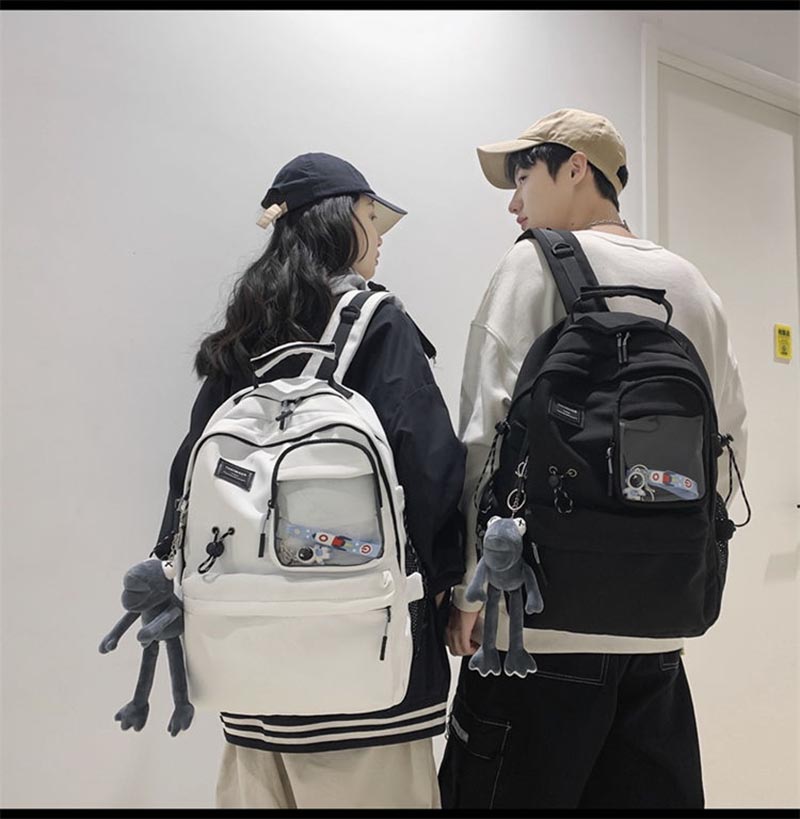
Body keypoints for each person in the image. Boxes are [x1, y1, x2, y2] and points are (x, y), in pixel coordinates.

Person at [439, 108, 747, 809]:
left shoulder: (531, 265)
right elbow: (728, 448)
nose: (514, 204)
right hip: (657, 637)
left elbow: (484, 435)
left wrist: (468, 590)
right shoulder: (691, 285)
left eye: (523, 178)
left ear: (576, 168)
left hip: (534, 636)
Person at [153, 152, 466, 809]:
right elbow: (428, 466)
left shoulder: (245, 332)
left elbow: (191, 473)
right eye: (372, 218)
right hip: (367, 670)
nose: (380, 237)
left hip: (249, 667)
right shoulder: (376, 321)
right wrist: (447, 586)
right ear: (340, 220)